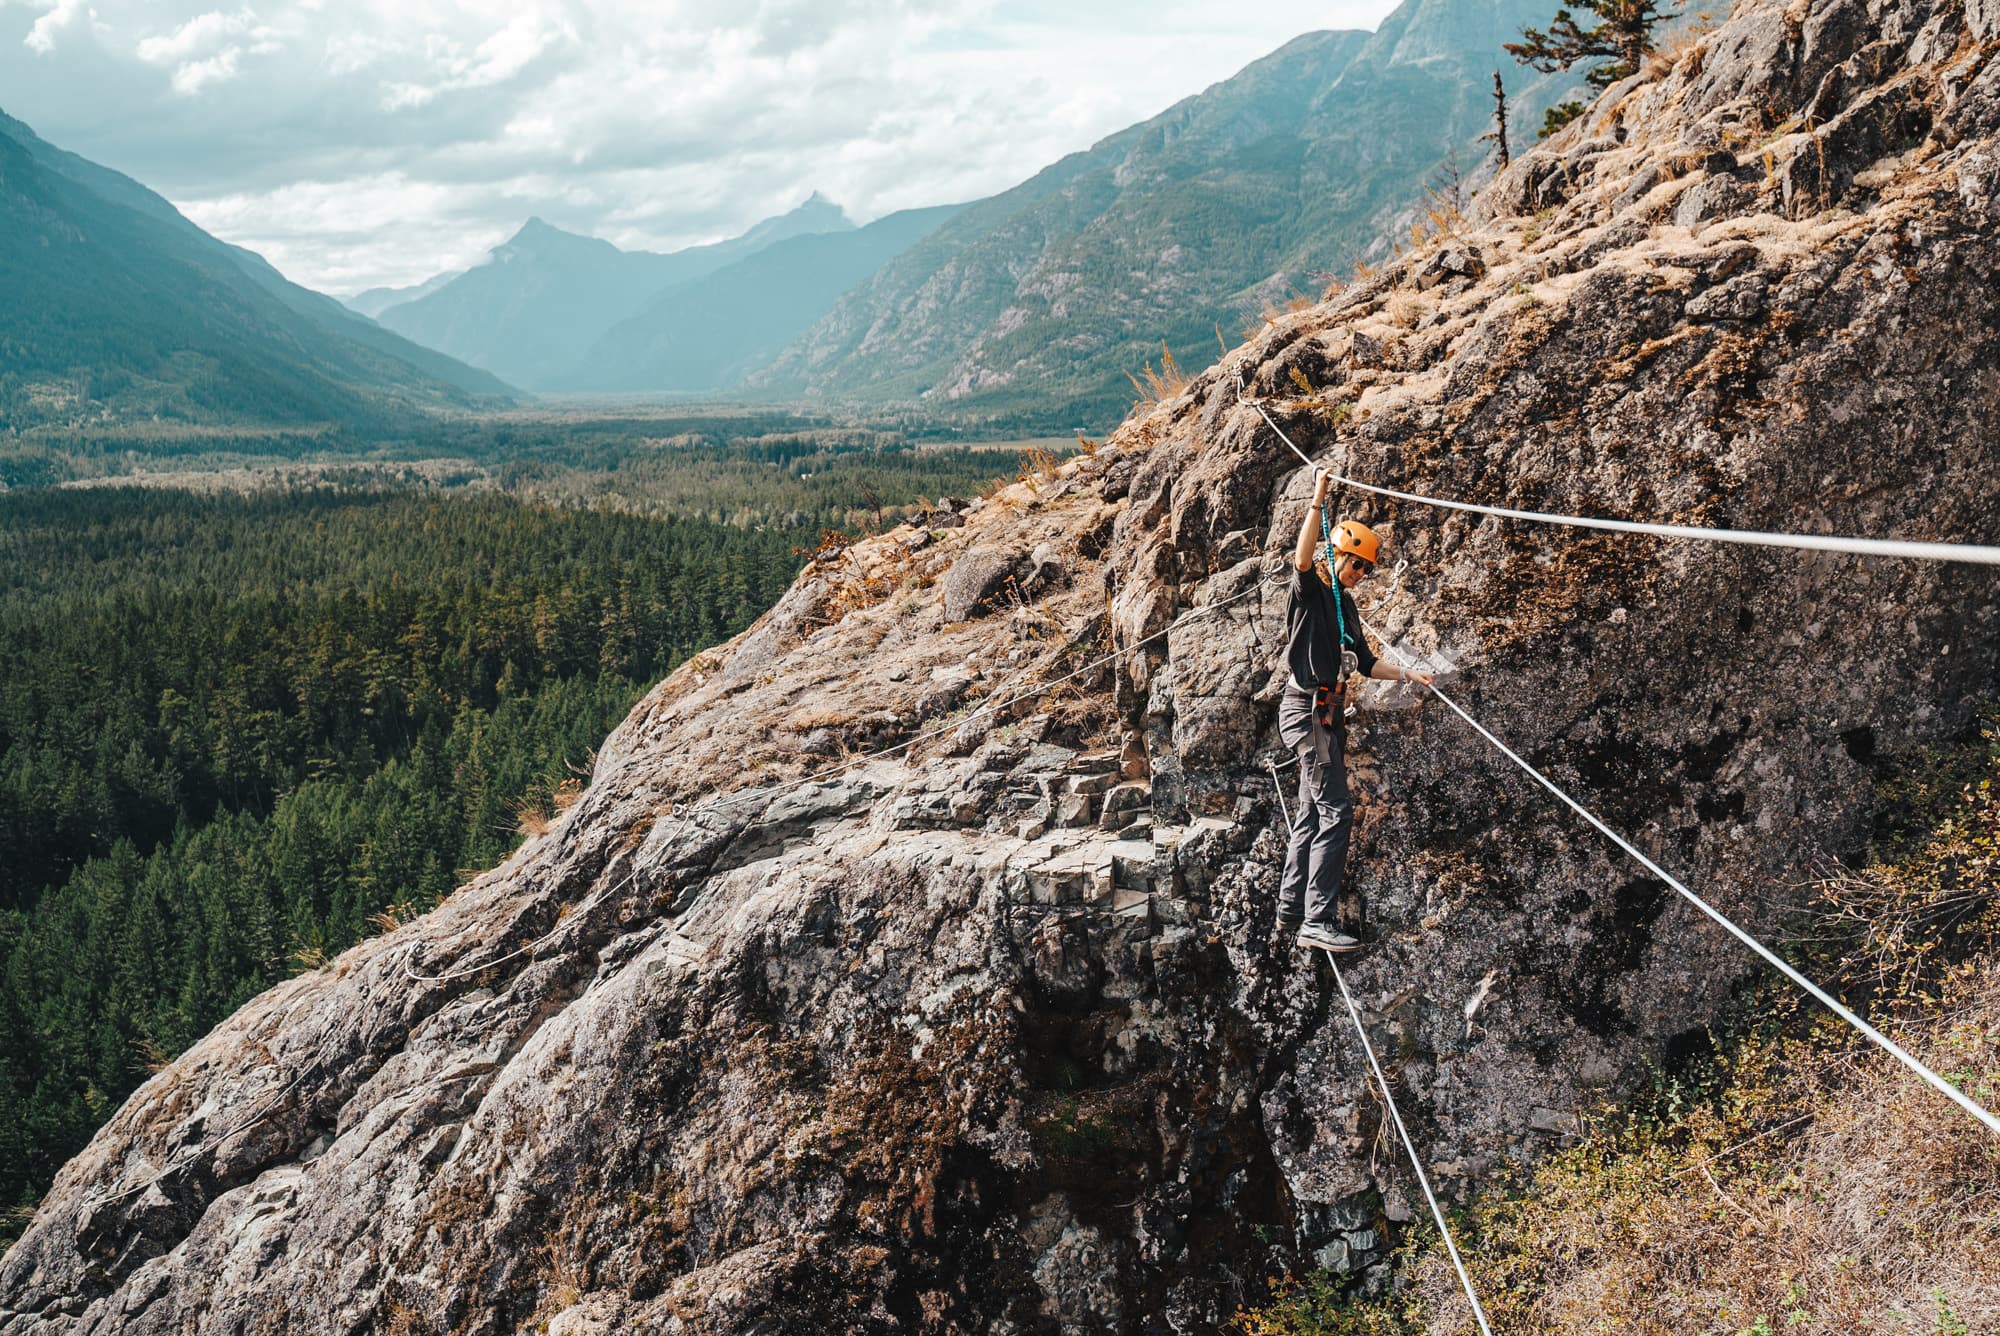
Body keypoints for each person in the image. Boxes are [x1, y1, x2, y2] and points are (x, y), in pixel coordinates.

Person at [1277, 468, 1434, 953]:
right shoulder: (1311, 592)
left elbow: (1365, 662)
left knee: (1310, 810)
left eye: (1366, 569)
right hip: (1308, 709)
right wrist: (1317, 500)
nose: (1360, 574)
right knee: (1337, 812)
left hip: (1327, 714)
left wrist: (1409, 674)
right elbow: (1303, 558)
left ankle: (1291, 908)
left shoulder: (1345, 605)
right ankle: (1316, 920)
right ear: (1338, 555)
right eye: (1356, 564)